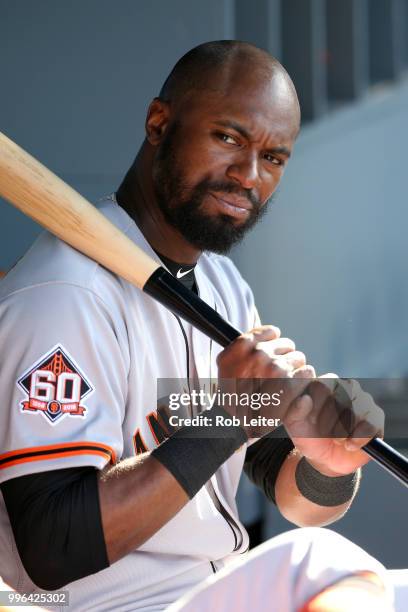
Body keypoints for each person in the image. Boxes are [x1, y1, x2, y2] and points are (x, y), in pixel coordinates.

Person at [0, 40, 393, 611]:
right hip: (115, 606)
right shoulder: (63, 295)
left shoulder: (223, 285)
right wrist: (228, 416)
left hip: (209, 589)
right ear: (160, 123)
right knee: (316, 562)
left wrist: (326, 464)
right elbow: (50, 551)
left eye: (274, 158)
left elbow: (286, 487)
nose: (248, 175)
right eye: (229, 138)